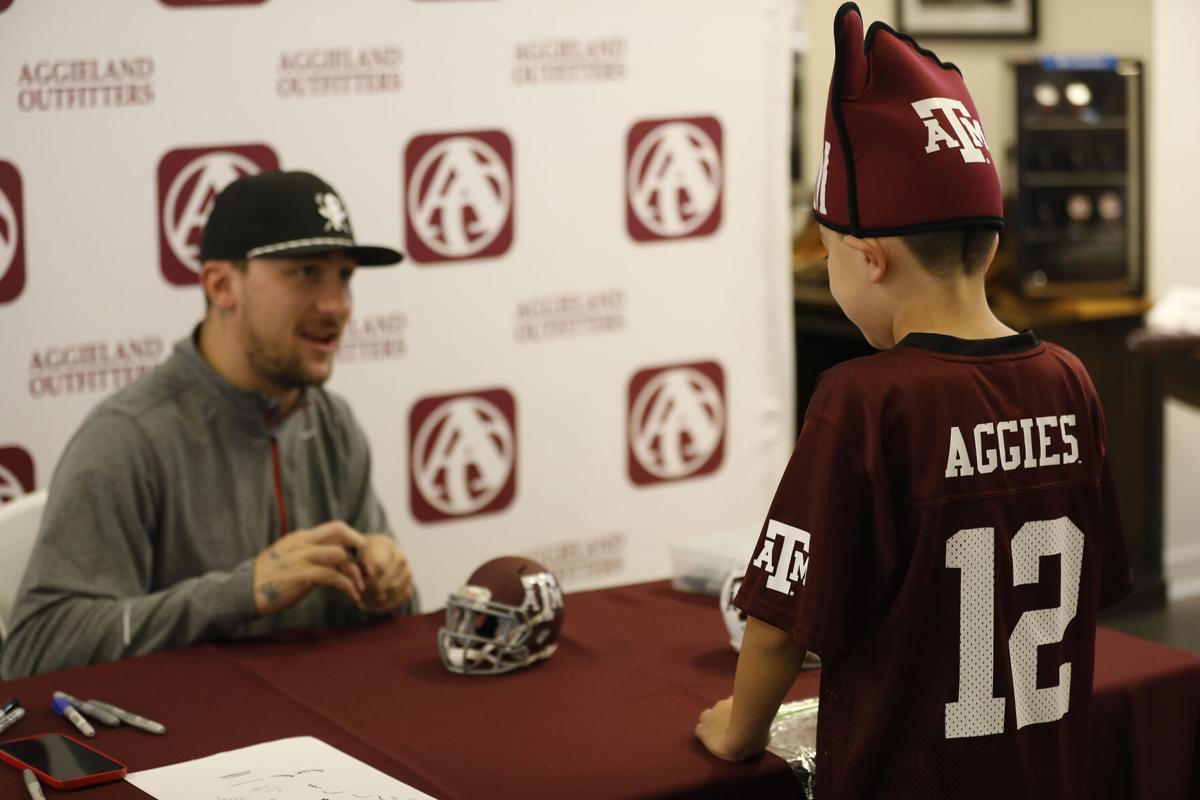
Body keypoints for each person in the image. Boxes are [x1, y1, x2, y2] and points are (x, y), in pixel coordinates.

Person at [695, 4, 1132, 798]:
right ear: (990, 242)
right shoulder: (1071, 378)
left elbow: (781, 627)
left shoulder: (863, 399)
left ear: (867, 259)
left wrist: (736, 733)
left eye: (827, 254)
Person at [1, 170, 416, 679]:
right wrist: (242, 592)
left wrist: (387, 588)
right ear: (221, 286)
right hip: (180, 747)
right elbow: (36, 651)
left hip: (318, 731)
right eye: (307, 273)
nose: (337, 306)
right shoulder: (128, 436)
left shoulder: (331, 421)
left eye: (345, 276)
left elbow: (386, 619)